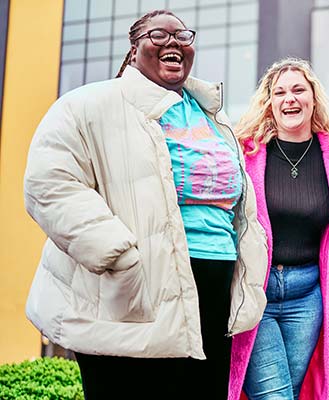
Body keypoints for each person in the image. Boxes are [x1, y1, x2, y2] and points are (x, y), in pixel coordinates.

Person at [23, 10, 268, 400]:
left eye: (183, 36)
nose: (174, 42)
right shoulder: (90, 104)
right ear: (134, 49)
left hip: (213, 286)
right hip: (133, 287)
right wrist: (117, 253)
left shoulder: (212, 116)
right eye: (159, 34)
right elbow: (49, 182)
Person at [229, 58, 329, 400]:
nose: (289, 99)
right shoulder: (247, 155)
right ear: (269, 102)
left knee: (290, 393)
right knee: (275, 395)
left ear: (314, 98)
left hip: (307, 296)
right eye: (279, 92)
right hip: (257, 294)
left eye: (298, 90)